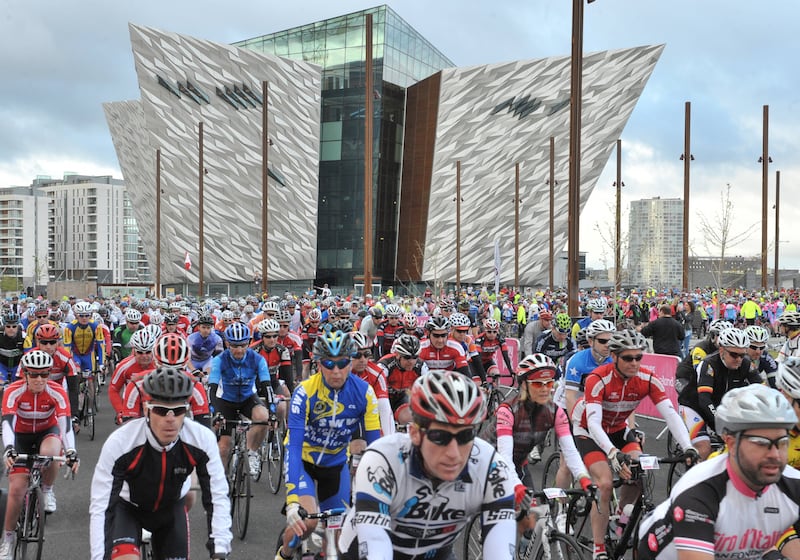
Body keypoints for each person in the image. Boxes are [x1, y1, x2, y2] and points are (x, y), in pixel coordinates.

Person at [338, 370, 518, 560]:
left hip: (436, 553)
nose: (454, 453)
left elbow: (501, 552)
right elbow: (376, 546)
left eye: (465, 436)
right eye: (440, 437)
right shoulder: (383, 460)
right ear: (415, 433)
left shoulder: (492, 468)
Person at [571, 329, 697, 560]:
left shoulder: (648, 379)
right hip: (588, 431)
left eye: (639, 357)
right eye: (628, 358)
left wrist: (688, 446)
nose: (635, 363)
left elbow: (670, 414)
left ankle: (621, 517)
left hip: (619, 429)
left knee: (642, 473)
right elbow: (594, 423)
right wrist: (613, 453)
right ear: (615, 356)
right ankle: (599, 548)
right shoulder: (598, 378)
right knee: (605, 484)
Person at [637, 384, 800, 560]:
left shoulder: (793, 484)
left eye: (782, 442)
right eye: (760, 442)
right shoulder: (698, 490)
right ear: (731, 443)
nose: (774, 454)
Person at [90, 367, 231, 560]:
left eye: (179, 410)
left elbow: (217, 496)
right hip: (129, 509)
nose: (170, 419)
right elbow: (101, 506)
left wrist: (220, 548)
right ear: (147, 408)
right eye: (161, 410)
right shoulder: (121, 442)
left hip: (170, 510)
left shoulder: (201, 439)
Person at [276, 329, 380, 560]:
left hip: (335, 463)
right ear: (318, 364)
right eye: (328, 364)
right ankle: (283, 554)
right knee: (307, 521)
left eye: (342, 363)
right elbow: (293, 445)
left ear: (351, 362)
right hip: (302, 460)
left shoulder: (364, 393)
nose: (336, 371)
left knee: (338, 538)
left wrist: (383, 494)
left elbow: (377, 448)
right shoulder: (305, 391)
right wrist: (293, 501)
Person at [1, 350, 78, 559]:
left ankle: (47, 489)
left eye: (44, 374)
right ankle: (7, 539)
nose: (39, 379)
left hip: (47, 431)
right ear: (25, 374)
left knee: (52, 452)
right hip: (21, 436)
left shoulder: (56, 392)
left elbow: (65, 424)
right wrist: (9, 448)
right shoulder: (13, 391)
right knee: (17, 489)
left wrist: (71, 451)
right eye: (34, 374)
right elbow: (8, 423)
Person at [677, 327, 762, 460]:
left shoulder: (746, 364)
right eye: (734, 355)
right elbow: (704, 400)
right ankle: (695, 478)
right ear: (722, 350)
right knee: (704, 448)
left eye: (742, 354)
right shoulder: (709, 364)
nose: (739, 359)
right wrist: (721, 423)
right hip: (694, 406)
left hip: (719, 406)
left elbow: (763, 391)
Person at [208, 322, 275, 479]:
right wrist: (216, 412)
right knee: (224, 447)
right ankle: (220, 482)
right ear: (227, 343)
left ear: (249, 342)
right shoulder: (219, 360)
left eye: (243, 345)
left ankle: (252, 452)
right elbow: (211, 388)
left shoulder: (257, 359)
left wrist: (272, 412)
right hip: (225, 401)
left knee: (263, 417)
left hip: (247, 399)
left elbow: (267, 386)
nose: (239, 350)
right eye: (234, 345)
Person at [0, 313, 24, 385]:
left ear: (18, 326)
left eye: (14, 326)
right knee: (1, 385)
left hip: (18, 365)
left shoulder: (23, 336)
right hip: (2, 365)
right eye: (8, 326)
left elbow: (28, 354)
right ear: (4, 326)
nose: (11, 329)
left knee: (18, 385)